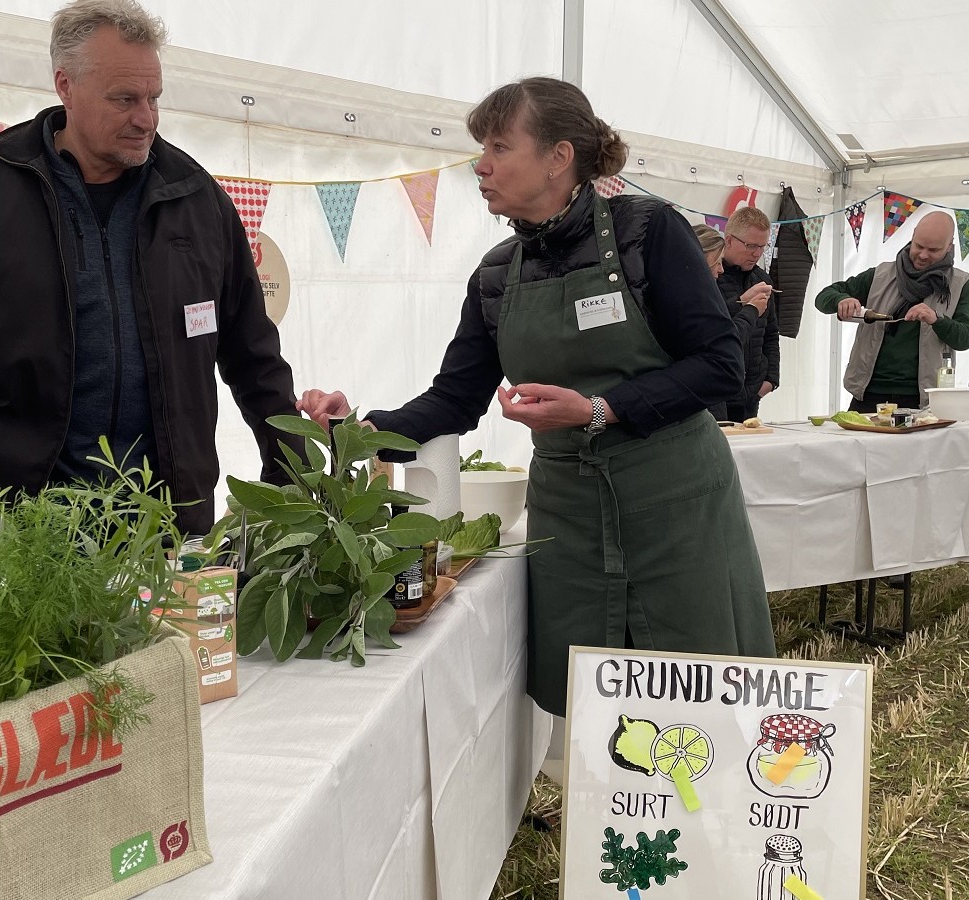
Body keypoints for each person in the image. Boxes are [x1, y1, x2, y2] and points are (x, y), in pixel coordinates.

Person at [298, 77, 776, 717]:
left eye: (499, 146)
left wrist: (602, 409)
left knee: (697, 690)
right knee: (594, 706)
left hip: (674, 502)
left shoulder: (647, 232)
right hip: (570, 514)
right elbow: (453, 401)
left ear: (559, 157)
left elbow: (720, 363)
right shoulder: (497, 274)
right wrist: (355, 426)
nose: (482, 165)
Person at [0, 0, 300, 536]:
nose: (146, 118)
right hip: (22, 519)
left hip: (165, 517)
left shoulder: (196, 197)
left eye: (154, 98)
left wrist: (292, 475)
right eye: (124, 99)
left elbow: (252, 352)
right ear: (65, 86)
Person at [815, 210, 969, 411]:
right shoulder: (880, 275)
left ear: (949, 247)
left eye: (933, 250)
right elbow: (822, 298)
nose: (923, 255)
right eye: (919, 246)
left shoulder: (961, 284)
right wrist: (841, 299)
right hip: (868, 393)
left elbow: (968, 337)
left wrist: (937, 320)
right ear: (912, 237)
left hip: (923, 400)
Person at [715, 206, 779, 422]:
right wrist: (743, 303)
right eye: (751, 245)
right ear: (729, 240)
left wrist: (771, 378)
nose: (757, 253)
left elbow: (771, 332)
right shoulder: (710, 276)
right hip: (717, 394)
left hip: (752, 392)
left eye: (763, 246)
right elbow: (711, 327)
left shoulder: (763, 279)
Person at [693, 224, 730, 421]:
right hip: (700, 399)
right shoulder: (695, 298)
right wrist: (749, 311)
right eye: (718, 261)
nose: (721, 269)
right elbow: (721, 344)